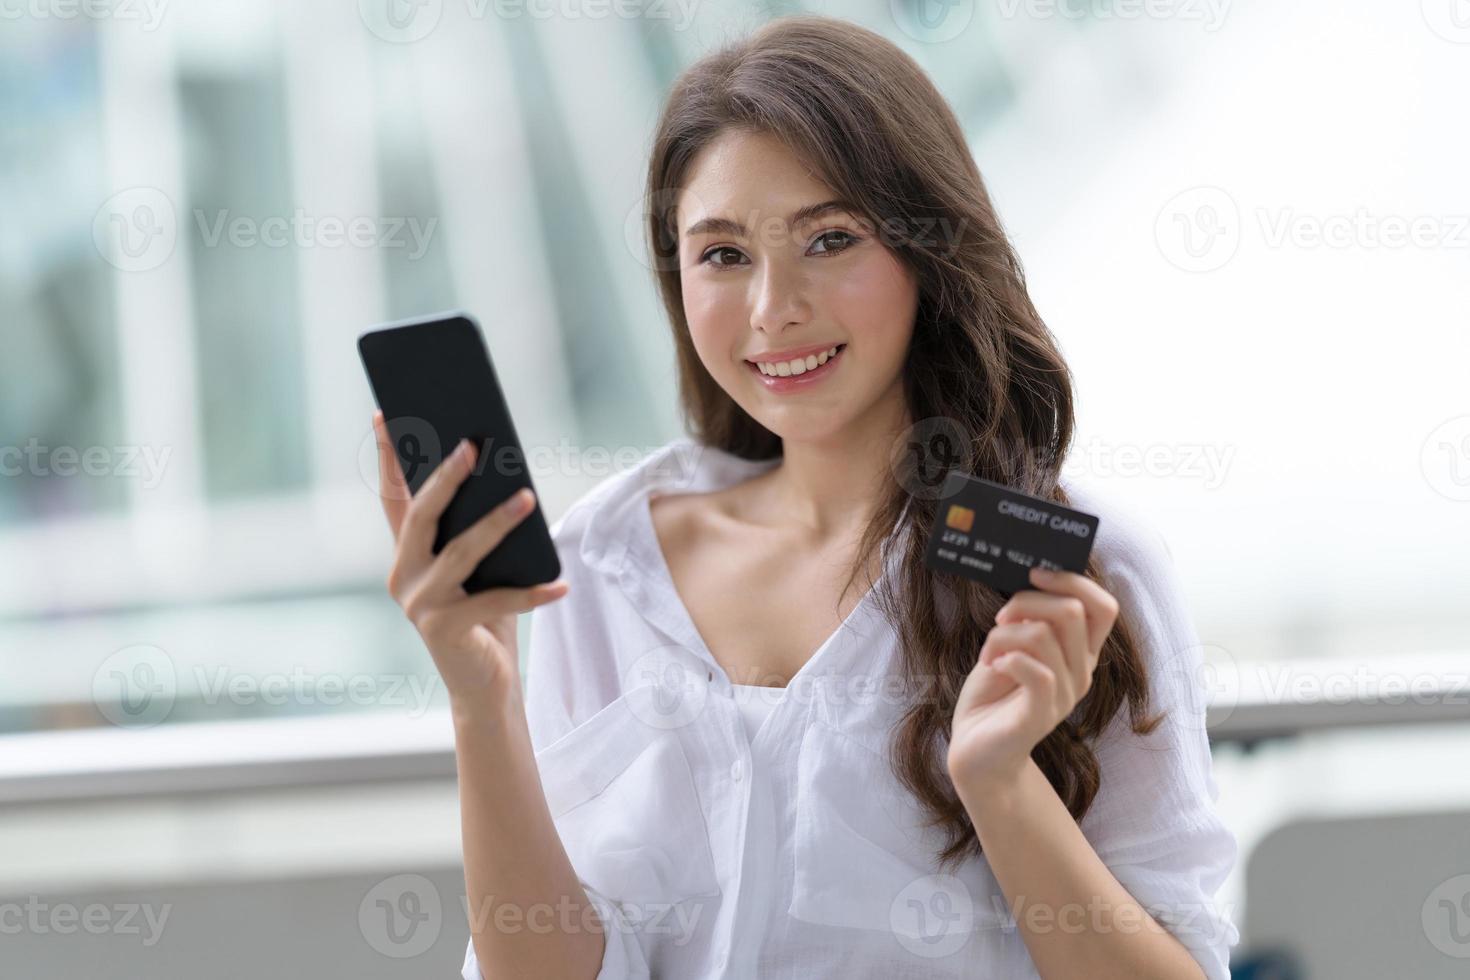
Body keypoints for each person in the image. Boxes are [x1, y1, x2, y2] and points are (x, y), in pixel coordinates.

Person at [371, 14, 1237, 979]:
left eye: (830, 239)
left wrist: (1000, 784)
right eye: (724, 254)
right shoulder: (604, 561)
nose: (773, 307)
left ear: (928, 253)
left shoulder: (1075, 567)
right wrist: (480, 702)